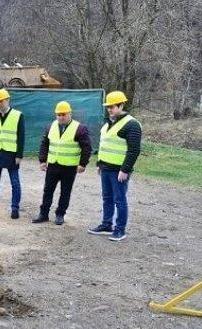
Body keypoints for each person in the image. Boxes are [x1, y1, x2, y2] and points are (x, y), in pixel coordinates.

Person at [88, 91, 142, 241]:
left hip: (118, 170)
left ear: (121, 105)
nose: (110, 109)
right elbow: (104, 144)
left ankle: (120, 230)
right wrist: (100, 163)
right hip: (106, 168)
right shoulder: (108, 122)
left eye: (112, 106)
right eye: (108, 107)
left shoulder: (132, 124)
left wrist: (125, 169)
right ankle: (106, 225)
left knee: (120, 200)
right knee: (107, 198)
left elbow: (134, 150)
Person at [34, 101, 92, 225]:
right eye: (58, 115)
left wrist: (83, 164)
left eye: (63, 115)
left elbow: (86, 147)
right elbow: (45, 144)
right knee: (47, 190)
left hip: (69, 167)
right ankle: (43, 214)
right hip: (53, 165)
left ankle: (60, 214)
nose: (60, 117)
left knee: (65, 192)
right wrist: (42, 160)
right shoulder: (50, 127)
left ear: (70, 114)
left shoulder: (80, 128)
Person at [0, 88, 25, 219]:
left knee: (15, 182)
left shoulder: (18, 115)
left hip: (11, 154)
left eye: (1, 101)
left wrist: (19, 155)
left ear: (8, 100)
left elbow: (21, 136)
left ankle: (15, 208)